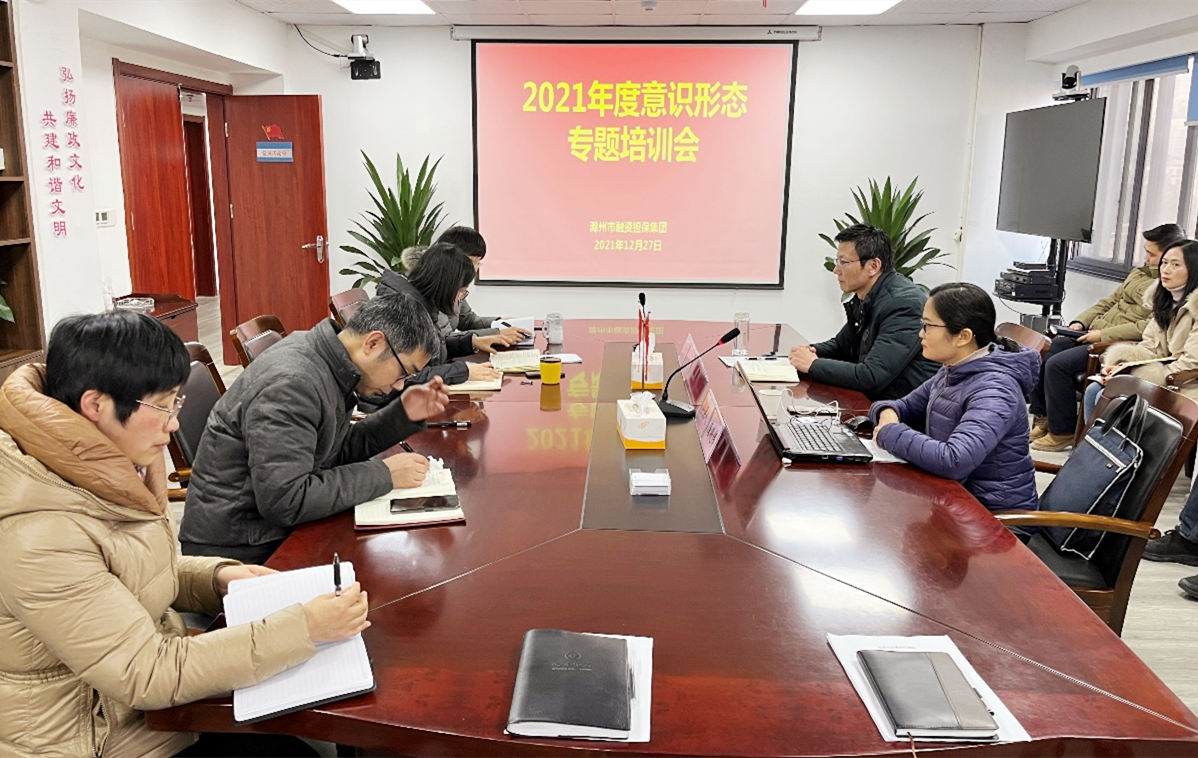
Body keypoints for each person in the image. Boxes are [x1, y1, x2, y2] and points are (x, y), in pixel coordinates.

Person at [0, 312, 369, 758]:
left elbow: (122, 573)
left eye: (177, 403)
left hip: (150, 712)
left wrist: (216, 577)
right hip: (100, 739)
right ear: (95, 405)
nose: (174, 424)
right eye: (163, 406)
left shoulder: (108, 461)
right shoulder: (40, 533)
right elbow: (145, 673)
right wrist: (304, 629)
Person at [180, 295, 450, 564]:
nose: (400, 385)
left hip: (263, 529)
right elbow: (286, 500)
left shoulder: (328, 361)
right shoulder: (293, 384)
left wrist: (401, 415)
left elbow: (330, 451)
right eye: (403, 372)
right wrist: (385, 474)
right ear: (373, 343)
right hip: (238, 549)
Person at [869, 282, 1040, 515]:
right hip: (954, 500)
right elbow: (903, 406)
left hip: (994, 519)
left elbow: (955, 460)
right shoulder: (955, 368)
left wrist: (889, 431)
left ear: (963, 336)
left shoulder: (995, 390)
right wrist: (887, 414)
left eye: (928, 326)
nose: (921, 333)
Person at [1092, 240, 1198, 578]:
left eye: (1175, 264)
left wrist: (1142, 376)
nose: (1165, 270)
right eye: (1164, 263)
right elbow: (1150, 346)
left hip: (1188, 385)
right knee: (1099, 391)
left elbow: (1190, 364)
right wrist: (1123, 364)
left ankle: (1128, 483)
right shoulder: (1163, 298)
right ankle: (1103, 475)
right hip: (1166, 375)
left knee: (1120, 395)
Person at [1030, 223, 1186, 452]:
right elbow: (1108, 302)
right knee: (1049, 348)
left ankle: (1063, 431)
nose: (1146, 258)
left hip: (1112, 342)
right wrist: (1080, 322)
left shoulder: (1165, 288)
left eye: (1152, 254)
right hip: (1093, 332)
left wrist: (1103, 334)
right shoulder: (1139, 273)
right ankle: (1043, 416)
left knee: (1058, 365)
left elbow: (1146, 327)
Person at [789, 224, 939, 401]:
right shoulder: (869, 297)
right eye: (837, 262)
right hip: (875, 401)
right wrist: (810, 351)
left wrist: (813, 364)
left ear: (873, 266)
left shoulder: (904, 304)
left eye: (844, 262)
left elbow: (871, 376)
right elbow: (842, 345)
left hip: (901, 408)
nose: (836, 270)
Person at [376, 242, 510, 386]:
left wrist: (470, 342)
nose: (460, 299)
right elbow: (403, 378)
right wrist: (463, 372)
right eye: (461, 291)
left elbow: (433, 353)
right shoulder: (402, 312)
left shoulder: (423, 304)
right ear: (446, 286)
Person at [434, 226, 530, 344]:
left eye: (478, 262)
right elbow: (445, 338)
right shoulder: (434, 287)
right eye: (473, 262)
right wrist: (496, 333)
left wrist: (499, 323)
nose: (476, 269)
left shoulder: (455, 285)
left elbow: (467, 320)